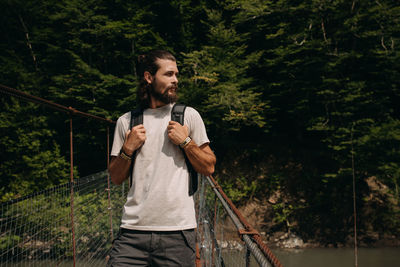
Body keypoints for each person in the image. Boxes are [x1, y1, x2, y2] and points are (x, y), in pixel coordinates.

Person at [107, 49, 216, 267]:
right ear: (149, 77)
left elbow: (209, 166)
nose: (175, 80)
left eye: (176, 74)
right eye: (168, 74)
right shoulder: (126, 122)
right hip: (132, 232)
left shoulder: (188, 116)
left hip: (177, 233)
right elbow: (116, 177)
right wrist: (127, 149)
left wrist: (186, 142)